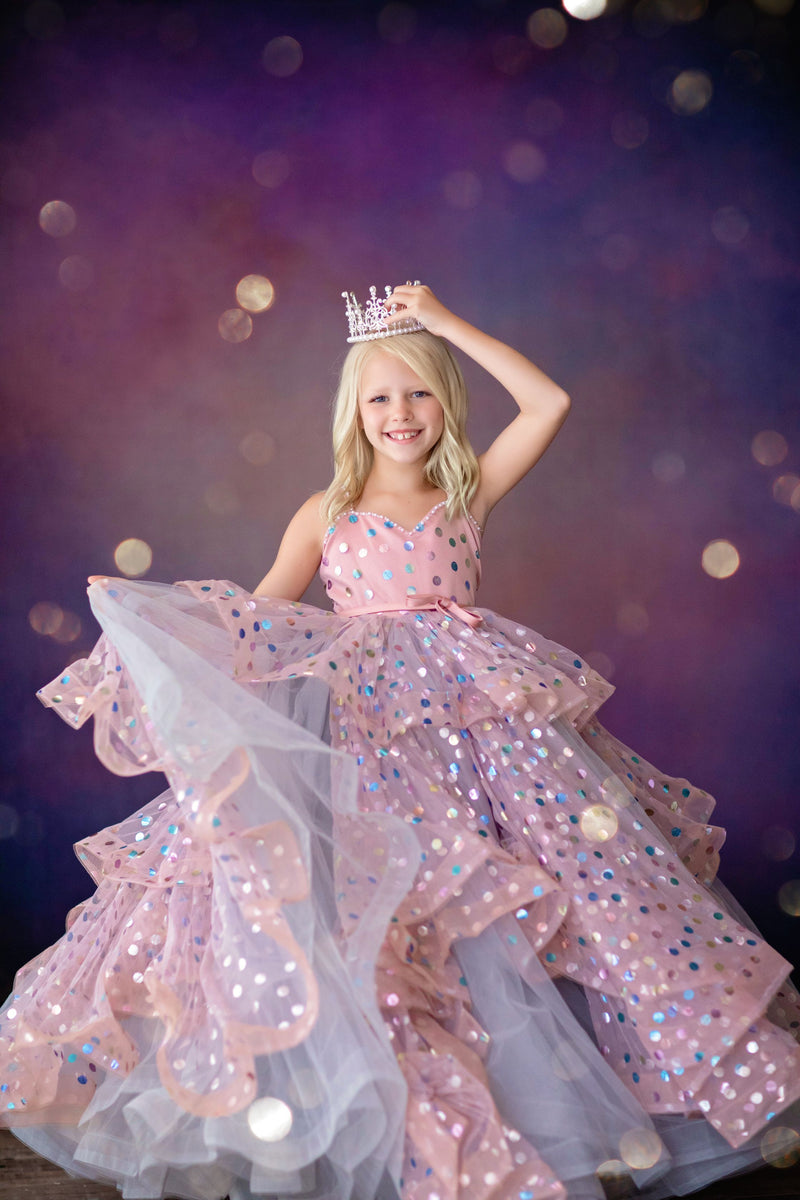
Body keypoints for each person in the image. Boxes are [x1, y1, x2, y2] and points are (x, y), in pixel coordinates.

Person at [1, 284, 798, 1200]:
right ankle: (390, 1119)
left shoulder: (468, 491)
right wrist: (161, 623)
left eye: (418, 392)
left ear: (444, 402)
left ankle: (552, 1108)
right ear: (353, 412)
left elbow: (550, 404)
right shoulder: (326, 512)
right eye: (379, 397)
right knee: (391, 906)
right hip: (364, 732)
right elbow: (261, 615)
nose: (400, 414)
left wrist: (447, 323)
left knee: (538, 896)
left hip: (484, 735)